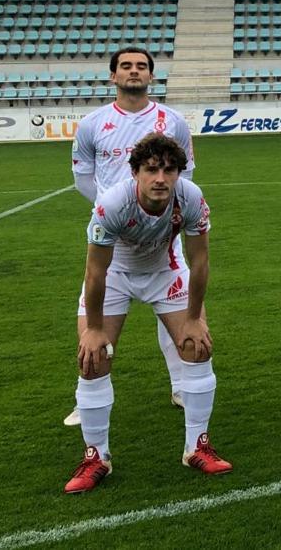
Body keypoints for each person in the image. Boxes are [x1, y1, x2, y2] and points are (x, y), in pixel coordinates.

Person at [64, 134, 229, 493]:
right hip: (116, 275)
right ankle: (97, 457)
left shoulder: (191, 197)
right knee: (93, 358)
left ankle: (196, 446)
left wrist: (193, 316)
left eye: (169, 170)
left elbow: (199, 262)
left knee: (197, 347)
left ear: (179, 174)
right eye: (151, 170)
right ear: (135, 172)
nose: (160, 179)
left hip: (164, 271)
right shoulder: (112, 204)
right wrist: (93, 328)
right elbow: (95, 271)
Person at [64, 46, 195, 427]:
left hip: (164, 237)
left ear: (152, 76)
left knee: (179, 316)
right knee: (94, 322)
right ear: (113, 76)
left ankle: (183, 387)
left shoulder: (173, 121)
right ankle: (85, 396)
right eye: (126, 66)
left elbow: (184, 176)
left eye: (141, 66)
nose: (134, 71)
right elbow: (82, 177)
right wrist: (120, 212)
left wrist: (155, 214)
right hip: (113, 238)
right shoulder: (92, 123)